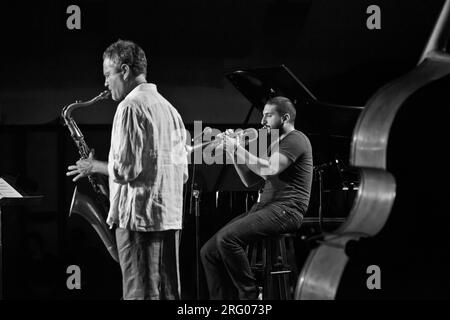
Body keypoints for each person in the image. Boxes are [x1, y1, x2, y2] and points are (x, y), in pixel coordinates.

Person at [67, 39, 188, 300]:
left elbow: (125, 170)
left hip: (138, 221)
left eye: (108, 75)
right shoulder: (171, 111)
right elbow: (184, 173)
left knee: (138, 295)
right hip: (169, 219)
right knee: (169, 296)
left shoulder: (130, 107)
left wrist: (93, 166)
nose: (105, 83)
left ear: (124, 70)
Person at [200, 96, 313, 300]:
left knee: (227, 239)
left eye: (268, 116)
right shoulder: (277, 144)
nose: (262, 122)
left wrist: (237, 147)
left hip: (287, 210)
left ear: (285, 117)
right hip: (267, 207)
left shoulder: (296, 139)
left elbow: (270, 168)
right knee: (209, 251)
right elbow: (249, 180)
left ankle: (251, 296)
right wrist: (232, 152)